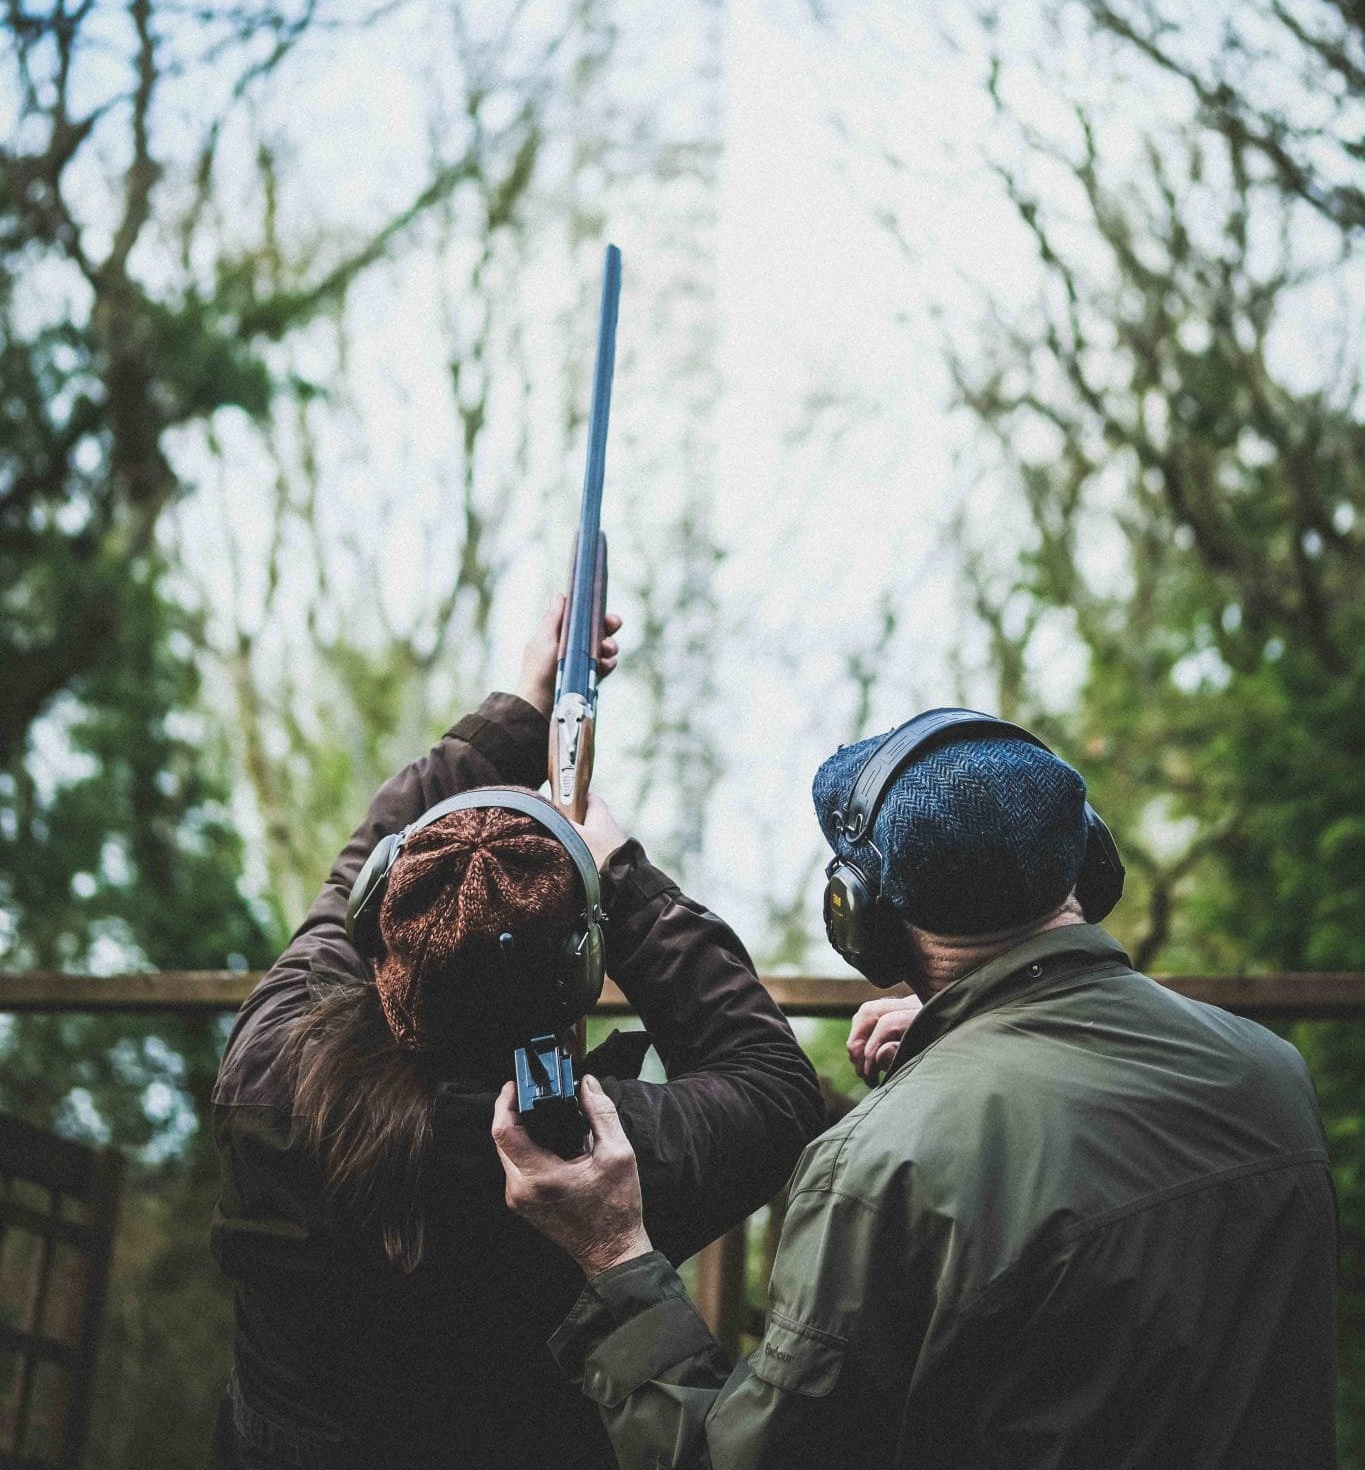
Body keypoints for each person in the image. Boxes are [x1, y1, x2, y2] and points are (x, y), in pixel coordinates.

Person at [495, 708, 1338, 1470]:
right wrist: (957, 1031)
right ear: (1084, 860)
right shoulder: (1266, 1070)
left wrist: (616, 1254)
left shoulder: (881, 1165)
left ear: (856, 914)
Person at [210, 598, 824, 1470]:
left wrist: (516, 713)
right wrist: (624, 877)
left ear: (381, 936)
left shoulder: (274, 1068)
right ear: (578, 977)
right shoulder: (589, 1159)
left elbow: (352, 878)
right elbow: (772, 1083)